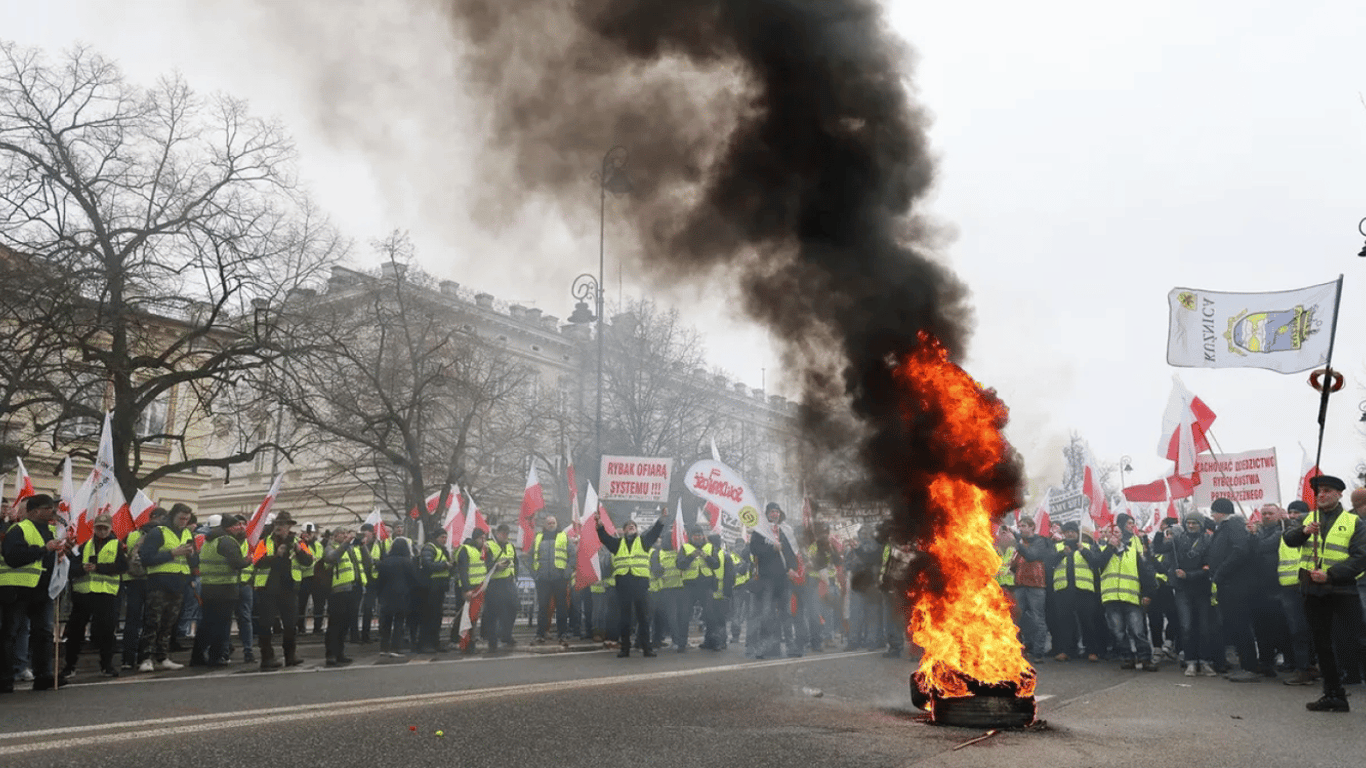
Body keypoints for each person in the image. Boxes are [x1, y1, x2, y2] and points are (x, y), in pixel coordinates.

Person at [1284, 474, 1366, 712]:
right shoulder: (1308, 518)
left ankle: (1346, 684)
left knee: (1353, 641)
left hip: (1342, 590)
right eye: (1319, 491)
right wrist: (1304, 532)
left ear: (1339, 494)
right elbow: (1289, 539)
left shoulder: (1354, 522)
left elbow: (1361, 557)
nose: (1321, 495)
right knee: (1322, 644)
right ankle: (1333, 694)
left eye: (1327, 491)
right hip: (1313, 591)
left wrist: (1331, 574)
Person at [1, 494, 68, 691]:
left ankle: (43, 675)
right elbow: (13, 557)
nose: (53, 511)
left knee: (44, 633)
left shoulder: (52, 531)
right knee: (10, 633)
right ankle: (5, 678)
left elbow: (52, 556)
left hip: (42, 590)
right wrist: (44, 549)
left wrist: (61, 554)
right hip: (18, 588)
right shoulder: (19, 529)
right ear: (35, 511)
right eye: (48, 508)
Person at [595, 508, 668, 657]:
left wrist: (662, 519)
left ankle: (646, 648)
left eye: (633, 526)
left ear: (636, 530)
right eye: (628, 526)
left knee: (643, 618)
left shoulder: (644, 541)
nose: (631, 527)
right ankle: (625, 648)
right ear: (624, 531)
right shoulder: (617, 544)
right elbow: (605, 539)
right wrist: (599, 526)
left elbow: (654, 532)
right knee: (625, 618)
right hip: (623, 585)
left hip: (640, 584)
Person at [63, 513, 128, 678]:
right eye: (99, 528)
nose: (102, 531)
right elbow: (72, 568)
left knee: (106, 632)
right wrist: (82, 568)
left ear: (110, 528)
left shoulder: (117, 545)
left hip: (106, 594)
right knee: (75, 632)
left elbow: (122, 566)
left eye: (105, 528)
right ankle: (69, 666)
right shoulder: (85, 545)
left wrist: (98, 567)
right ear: (94, 528)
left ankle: (106, 665)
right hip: (84, 594)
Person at [138, 503, 198, 672]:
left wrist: (192, 555)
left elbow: (194, 562)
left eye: (186, 519)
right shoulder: (158, 532)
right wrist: (172, 553)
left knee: (168, 623)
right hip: (158, 583)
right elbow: (146, 558)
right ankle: (145, 658)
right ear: (173, 516)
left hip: (178, 583)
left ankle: (162, 656)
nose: (184, 522)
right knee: (152, 622)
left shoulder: (187, 533)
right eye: (181, 518)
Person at [1096, 514, 1159, 671]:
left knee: (1137, 631)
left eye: (1118, 533)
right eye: (1112, 533)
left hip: (1131, 598)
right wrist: (1110, 548)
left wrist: (1147, 594)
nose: (1115, 536)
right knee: (1118, 632)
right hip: (1111, 599)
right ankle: (1127, 658)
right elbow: (1098, 564)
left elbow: (1145, 574)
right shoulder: (1103, 551)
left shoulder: (1132, 552)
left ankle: (1145, 659)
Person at [251, 511, 313, 670]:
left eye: (283, 524)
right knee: (266, 625)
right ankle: (267, 657)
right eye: (277, 524)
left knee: (291, 624)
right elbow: (256, 561)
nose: (279, 527)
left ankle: (290, 655)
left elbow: (308, 561)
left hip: (289, 589)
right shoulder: (265, 542)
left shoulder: (298, 542)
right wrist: (276, 556)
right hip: (267, 589)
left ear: (289, 526)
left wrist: (298, 550)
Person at [1207, 497, 1259, 682]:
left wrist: (1220, 572)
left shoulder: (1234, 525)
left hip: (1236, 585)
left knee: (1241, 625)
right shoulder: (1224, 527)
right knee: (1235, 626)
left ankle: (1249, 667)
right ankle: (1245, 665)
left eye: (1213, 512)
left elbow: (1240, 551)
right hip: (1228, 585)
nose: (1212, 516)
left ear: (1221, 512)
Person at [191, 514, 250, 668]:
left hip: (208, 587)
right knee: (221, 625)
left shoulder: (210, 540)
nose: (239, 528)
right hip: (225, 588)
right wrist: (249, 560)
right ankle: (216, 657)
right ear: (229, 527)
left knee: (207, 624)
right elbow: (236, 563)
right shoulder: (227, 541)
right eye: (236, 526)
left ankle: (197, 656)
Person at [1165, 512, 1217, 677]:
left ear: (1201, 524)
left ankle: (1205, 661)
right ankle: (1190, 661)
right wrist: (1161, 533)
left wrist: (1189, 575)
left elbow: (1209, 566)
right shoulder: (1178, 540)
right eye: (1188, 523)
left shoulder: (1208, 540)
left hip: (1202, 589)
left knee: (1204, 627)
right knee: (1186, 627)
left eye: (1194, 523)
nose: (1191, 526)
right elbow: (1161, 549)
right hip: (1183, 590)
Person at [749, 502, 801, 659]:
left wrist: (792, 568)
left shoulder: (784, 531)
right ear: (767, 514)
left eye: (777, 511)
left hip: (783, 580)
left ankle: (791, 646)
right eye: (772, 511)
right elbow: (754, 549)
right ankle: (767, 647)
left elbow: (792, 553)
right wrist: (771, 548)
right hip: (767, 580)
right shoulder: (760, 532)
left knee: (786, 614)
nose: (775, 514)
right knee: (767, 614)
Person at [1046, 521, 1103, 662]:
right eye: (1067, 532)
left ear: (1078, 533)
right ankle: (1066, 650)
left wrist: (1084, 551)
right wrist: (1062, 554)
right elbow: (1048, 563)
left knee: (1088, 621)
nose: (1070, 534)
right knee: (1064, 622)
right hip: (1063, 590)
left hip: (1084, 590)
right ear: (1063, 534)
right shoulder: (1057, 547)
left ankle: (1092, 651)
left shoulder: (1088, 546)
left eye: (1073, 531)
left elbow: (1097, 562)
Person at [1277, 501, 1317, 686]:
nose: (1293, 516)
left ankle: (1306, 669)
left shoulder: (1312, 532)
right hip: (1288, 587)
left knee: (1303, 631)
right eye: (1290, 512)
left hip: (1306, 585)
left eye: (1297, 512)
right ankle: (1305, 667)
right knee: (1298, 631)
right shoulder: (1286, 534)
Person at [121, 507, 164, 670]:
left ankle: (127, 658)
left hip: (132, 580)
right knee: (150, 620)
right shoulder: (160, 536)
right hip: (151, 579)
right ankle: (144, 657)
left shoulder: (132, 534)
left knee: (132, 621)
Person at [1010, 517, 1051, 661]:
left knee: (1037, 618)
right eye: (1019, 526)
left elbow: (1031, 555)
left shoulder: (1040, 541)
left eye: (1024, 526)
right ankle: (1023, 647)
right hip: (1020, 584)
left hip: (1036, 585)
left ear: (1032, 527)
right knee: (1017, 617)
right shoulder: (1021, 544)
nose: (1021, 528)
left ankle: (1038, 652)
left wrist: (1017, 542)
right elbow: (1015, 565)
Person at [323, 526, 365, 666]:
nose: (345, 535)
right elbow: (331, 558)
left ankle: (340, 653)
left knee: (345, 624)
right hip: (337, 591)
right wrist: (346, 543)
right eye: (342, 533)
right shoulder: (330, 547)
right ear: (335, 536)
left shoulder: (350, 548)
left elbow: (363, 563)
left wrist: (362, 544)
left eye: (346, 533)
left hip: (351, 589)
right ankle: (330, 654)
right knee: (335, 624)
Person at [677, 524, 720, 651]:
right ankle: (681, 644)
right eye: (695, 535)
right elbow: (679, 565)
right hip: (689, 586)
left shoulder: (710, 547)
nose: (698, 537)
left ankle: (712, 642)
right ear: (691, 537)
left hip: (706, 585)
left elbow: (716, 564)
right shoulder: (685, 548)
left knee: (710, 615)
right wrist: (691, 556)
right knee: (684, 615)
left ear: (703, 536)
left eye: (700, 535)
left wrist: (707, 557)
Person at [531, 515, 573, 644]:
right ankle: (540, 634)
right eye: (548, 523)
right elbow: (531, 557)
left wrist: (566, 573)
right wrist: (535, 574)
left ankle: (562, 634)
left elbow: (572, 556)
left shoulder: (564, 536)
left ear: (556, 523)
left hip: (560, 578)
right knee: (543, 607)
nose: (551, 524)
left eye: (553, 522)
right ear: (545, 525)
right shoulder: (538, 537)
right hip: (542, 579)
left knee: (562, 607)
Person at [376, 537, 420, 654]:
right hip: (402, 595)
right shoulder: (407, 562)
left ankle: (384, 647)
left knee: (386, 622)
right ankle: (395, 648)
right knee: (399, 622)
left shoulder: (385, 561)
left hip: (386, 596)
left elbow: (380, 579)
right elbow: (413, 579)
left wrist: (379, 594)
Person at [483, 524, 520, 653]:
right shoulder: (488, 545)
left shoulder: (510, 546)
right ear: (497, 533)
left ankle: (506, 635)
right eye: (503, 533)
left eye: (507, 533)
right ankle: (492, 641)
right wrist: (495, 567)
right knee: (493, 613)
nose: (505, 536)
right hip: (495, 582)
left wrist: (515, 574)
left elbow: (515, 562)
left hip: (509, 582)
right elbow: (484, 564)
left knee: (513, 608)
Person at [453, 528, 489, 651]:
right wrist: (467, 589)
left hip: (479, 588)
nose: (483, 541)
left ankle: (470, 642)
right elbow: (463, 571)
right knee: (466, 618)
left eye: (484, 538)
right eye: (481, 538)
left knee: (473, 617)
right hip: (470, 589)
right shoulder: (466, 550)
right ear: (475, 538)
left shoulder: (482, 550)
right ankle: (464, 642)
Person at [418, 528, 451, 653]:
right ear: (436, 538)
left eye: (445, 537)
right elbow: (427, 564)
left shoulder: (443, 550)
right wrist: (444, 565)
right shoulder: (430, 548)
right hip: (430, 588)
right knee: (429, 616)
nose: (444, 540)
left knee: (437, 617)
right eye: (442, 537)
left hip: (439, 588)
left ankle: (435, 642)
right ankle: (426, 644)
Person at [295, 523, 325, 635]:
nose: (308, 535)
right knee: (302, 604)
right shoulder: (300, 545)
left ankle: (318, 628)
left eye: (310, 533)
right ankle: (301, 628)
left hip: (317, 578)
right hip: (305, 578)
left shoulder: (318, 545)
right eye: (306, 533)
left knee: (319, 604)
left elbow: (320, 559)